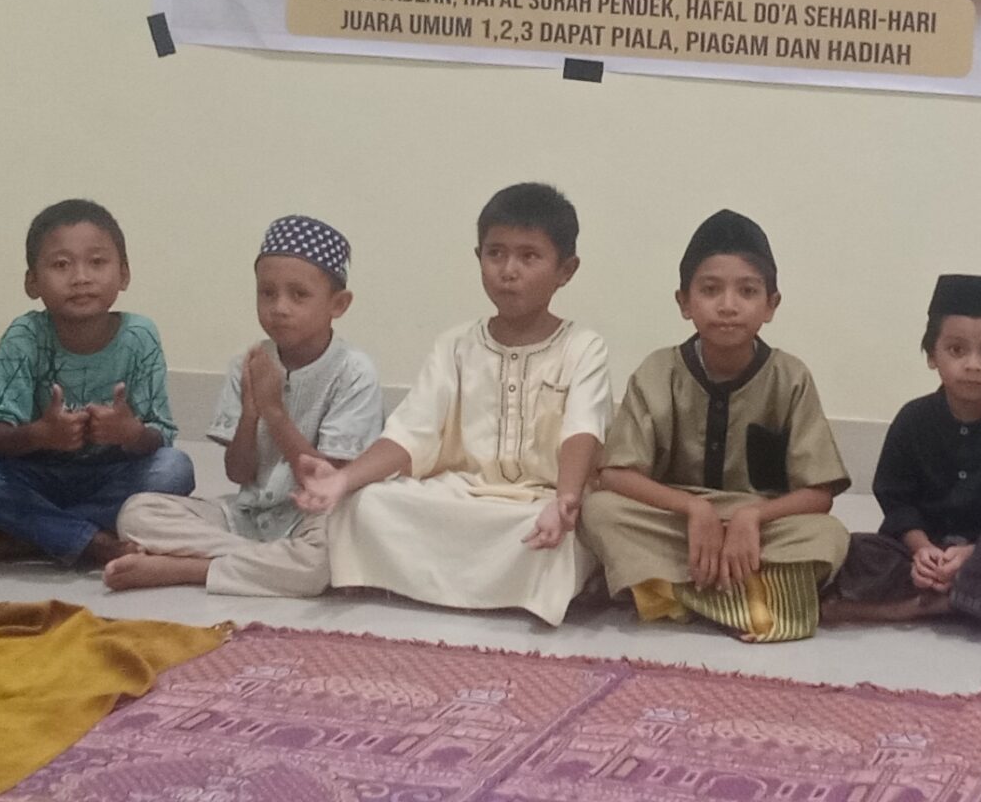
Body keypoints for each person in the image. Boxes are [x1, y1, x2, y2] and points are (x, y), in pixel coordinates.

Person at [296, 183, 609, 625]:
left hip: (538, 502)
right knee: (365, 503)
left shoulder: (583, 347)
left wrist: (565, 501)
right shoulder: (455, 345)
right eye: (495, 254)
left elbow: (583, 430)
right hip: (460, 494)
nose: (509, 271)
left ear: (566, 270)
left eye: (529, 256)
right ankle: (487, 585)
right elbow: (411, 433)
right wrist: (342, 480)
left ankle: (450, 578)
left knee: (562, 532)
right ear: (478, 257)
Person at [582, 209, 850, 642]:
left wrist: (751, 517)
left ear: (771, 305)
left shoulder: (790, 377)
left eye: (747, 291)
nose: (728, 305)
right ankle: (752, 595)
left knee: (829, 536)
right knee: (599, 511)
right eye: (710, 290)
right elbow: (614, 474)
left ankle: (675, 593)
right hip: (674, 517)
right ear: (684, 302)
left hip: (761, 525)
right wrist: (694, 509)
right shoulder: (658, 371)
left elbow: (819, 494)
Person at [106, 215, 382, 595]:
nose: (279, 307)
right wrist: (250, 416)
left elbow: (324, 483)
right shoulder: (249, 363)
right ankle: (265, 563)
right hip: (248, 517)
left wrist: (275, 413)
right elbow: (238, 472)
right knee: (137, 512)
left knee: (326, 556)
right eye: (267, 293)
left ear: (339, 304)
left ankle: (188, 568)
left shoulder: (354, 372)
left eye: (298, 295)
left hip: (312, 520)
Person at [0, 200, 194, 569]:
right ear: (32, 282)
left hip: (110, 476)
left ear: (124, 275)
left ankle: (23, 540)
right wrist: (39, 435)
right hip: (33, 476)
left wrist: (129, 433)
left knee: (175, 470)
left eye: (97, 262)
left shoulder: (140, 336)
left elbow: (160, 437)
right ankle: (89, 540)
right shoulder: (25, 336)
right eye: (61, 265)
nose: (81, 278)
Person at [826, 273, 981, 635]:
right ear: (933, 355)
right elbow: (895, 499)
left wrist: (972, 554)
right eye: (957, 350)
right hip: (918, 553)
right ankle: (963, 602)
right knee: (851, 550)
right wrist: (922, 550)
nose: (973, 364)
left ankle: (925, 605)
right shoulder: (913, 418)